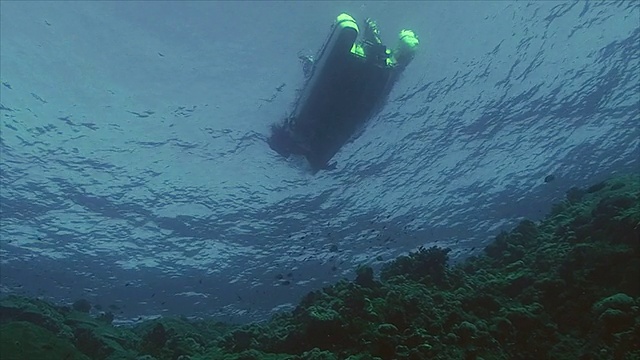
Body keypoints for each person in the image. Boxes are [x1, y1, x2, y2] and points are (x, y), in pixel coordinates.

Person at [268, 13, 419, 172]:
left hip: (347, 105)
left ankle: (382, 51)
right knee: (374, 76)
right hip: (349, 105)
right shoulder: (312, 147)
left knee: (372, 79)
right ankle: (384, 50)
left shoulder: (309, 143)